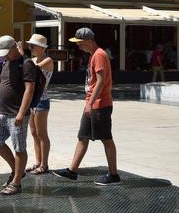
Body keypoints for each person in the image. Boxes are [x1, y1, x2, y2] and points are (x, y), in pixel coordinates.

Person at [54, 27, 120, 185]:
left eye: (80, 42)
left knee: (106, 138)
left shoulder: (99, 55)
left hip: (100, 104)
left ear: (90, 41)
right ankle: (72, 171)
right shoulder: (93, 55)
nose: (78, 45)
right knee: (83, 136)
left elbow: (101, 81)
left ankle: (114, 175)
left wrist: (91, 103)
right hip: (92, 103)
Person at [0, 35, 36, 196]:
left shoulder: (26, 63)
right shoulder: (6, 62)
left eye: (7, 52)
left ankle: (16, 182)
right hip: (2, 112)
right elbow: (2, 84)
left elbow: (29, 89)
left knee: (19, 148)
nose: (5, 56)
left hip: (16, 114)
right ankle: (17, 170)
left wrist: (21, 112)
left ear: (14, 47)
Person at [23, 34, 55, 175]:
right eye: (30, 46)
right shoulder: (32, 60)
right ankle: (37, 162)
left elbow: (33, 70)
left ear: (42, 48)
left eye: (33, 46)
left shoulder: (48, 60)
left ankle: (44, 164)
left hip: (42, 100)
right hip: (32, 100)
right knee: (34, 133)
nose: (31, 48)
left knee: (42, 133)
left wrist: (21, 56)